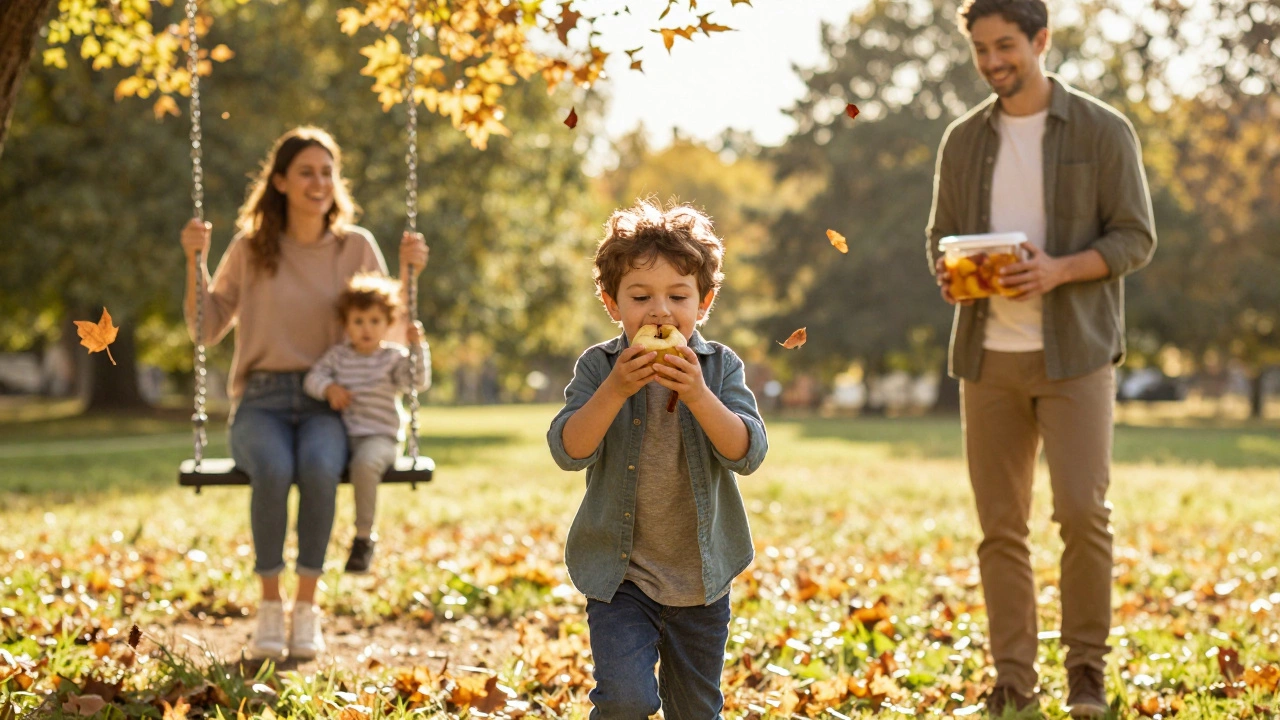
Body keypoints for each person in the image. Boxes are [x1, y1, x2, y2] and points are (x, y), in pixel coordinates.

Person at [925, 0, 1156, 715]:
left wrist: (1060, 269)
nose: (993, 62)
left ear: (1041, 40)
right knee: (1001, 527)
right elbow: (942, 234)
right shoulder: (963, 141)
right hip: (989, 356)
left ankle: (1086, 670)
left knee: (1083, 514)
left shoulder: (1102, 130)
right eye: (981, 50)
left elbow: (1135, 238)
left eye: (1006, 47)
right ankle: (1013, 683)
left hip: (1076, 355)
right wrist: (950, 272)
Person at [180, 126, 428, 660]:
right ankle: (270, 605)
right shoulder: (251, 249)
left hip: (329, 400)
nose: (319, 182)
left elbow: (390, 329)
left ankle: (306, 607)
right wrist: (194, 261)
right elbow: (206, 327)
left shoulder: (355, 246)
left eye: (327, 171)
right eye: (306, 172)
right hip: (262, 399)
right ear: (281, 181)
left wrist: (410, 275)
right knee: (271, 468)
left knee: (318, 468)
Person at [547, 200, 768, 718]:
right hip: (621, 577)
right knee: (625, 699)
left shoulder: (718, 368)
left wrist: (697, 395)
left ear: (704, 302)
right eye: (641, 296)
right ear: (612, 303)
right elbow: (568, 449)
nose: (660, 312)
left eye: (678, 296)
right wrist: (614, 390)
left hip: (701, 579)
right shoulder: (600, 366)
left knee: (695, 710)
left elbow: (747, 452)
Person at [303, 273, 431, 573]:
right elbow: (312, 378)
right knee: (317, 463)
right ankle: (315, 538)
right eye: (358, 321)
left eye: (374, 321)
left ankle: (364, 537)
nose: (366, 329)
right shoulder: (338, 356)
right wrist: (329, 389)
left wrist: (418, 347)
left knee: (364, 465)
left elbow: (417, 382)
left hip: (380, 438)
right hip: (343, 436)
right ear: (346, 324)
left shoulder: (393, 357)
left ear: (388, 324)